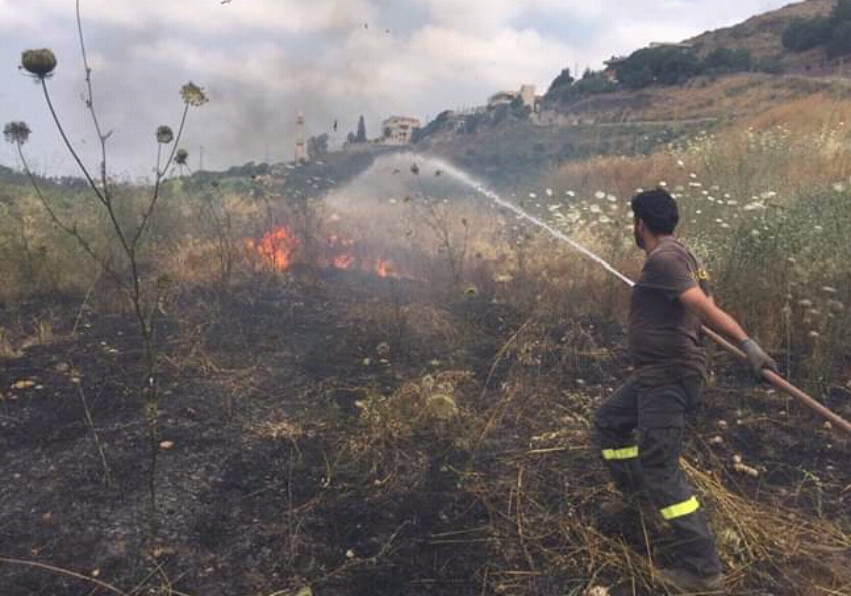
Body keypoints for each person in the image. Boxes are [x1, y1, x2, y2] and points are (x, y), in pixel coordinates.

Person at [593, 187, 776, 594]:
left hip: (668, 377)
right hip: (656, 375)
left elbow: (704, 308)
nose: (634, 229)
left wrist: (747, 344)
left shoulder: (664, 259)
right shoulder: (688, 257)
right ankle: (638, 500)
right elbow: (702, 306)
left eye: (633, 223)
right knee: (610, 422)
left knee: (660, 464)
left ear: (640, 224)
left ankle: (702, 569)